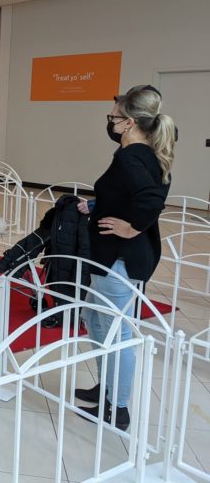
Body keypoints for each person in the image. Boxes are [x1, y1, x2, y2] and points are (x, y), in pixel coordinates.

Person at [75, 84, 176, 431]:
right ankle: (107, 390)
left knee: (114, 332)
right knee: (97, 320)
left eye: (114, 117)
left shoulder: (130, 156)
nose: (111, 122)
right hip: (119, 258)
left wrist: (131, 227)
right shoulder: (151, 153)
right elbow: (129, 195)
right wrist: (96, 205)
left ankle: (117, 408)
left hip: (119, 258)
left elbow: (149, 199)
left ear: (130, 122)